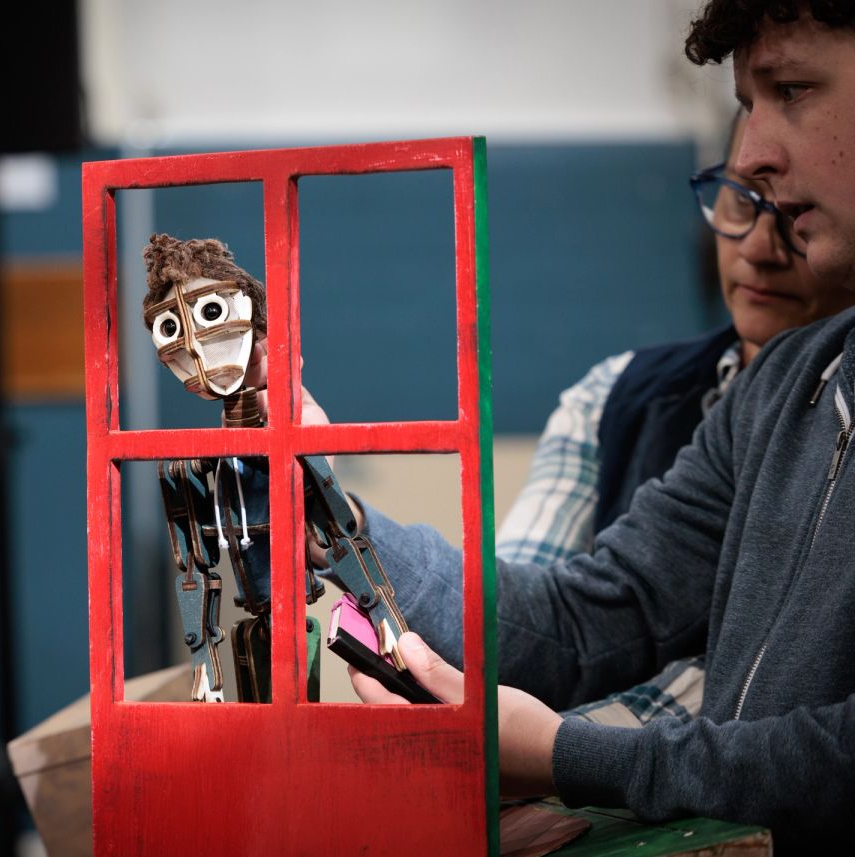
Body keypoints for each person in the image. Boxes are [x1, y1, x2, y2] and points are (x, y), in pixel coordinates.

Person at [350, 3, 855, 852]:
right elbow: (588, 617)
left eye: (794, 89)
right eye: (746, 103)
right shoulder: (782, 387)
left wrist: (567, 756)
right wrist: (336, 519)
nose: (754, 157)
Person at [494, 109, 855, 728]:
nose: (761, 251)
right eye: (742, 204)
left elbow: (747, 715)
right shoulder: (611, 393)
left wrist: (554, 755)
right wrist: (357, 528)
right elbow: (547, 625)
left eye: (792, 217)